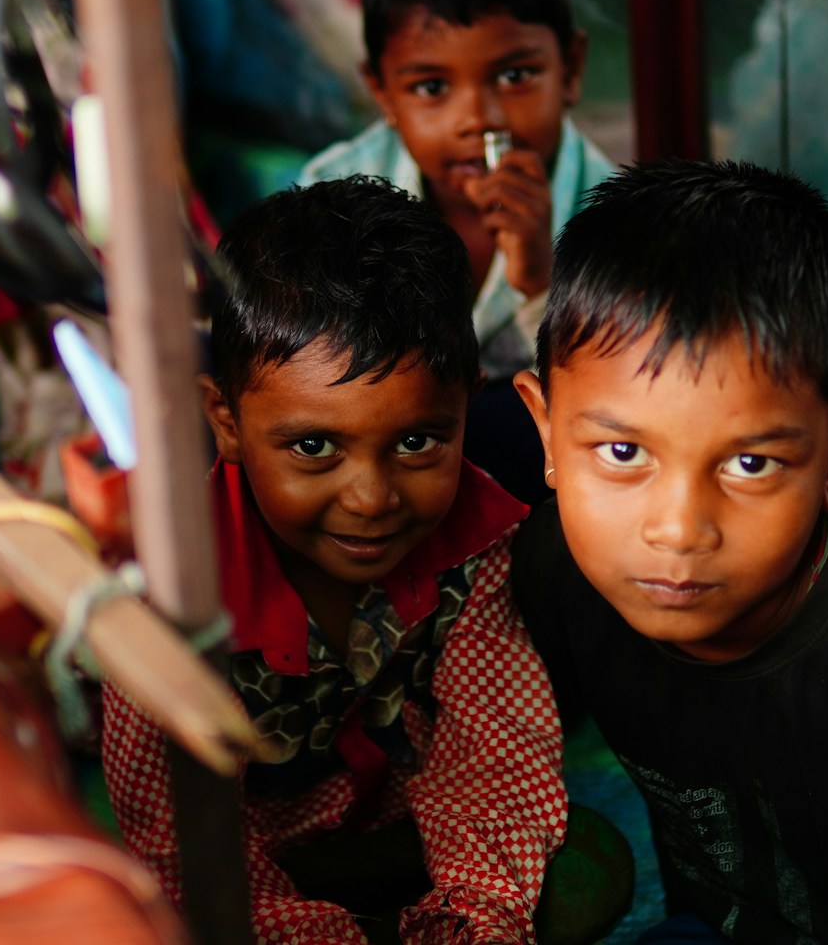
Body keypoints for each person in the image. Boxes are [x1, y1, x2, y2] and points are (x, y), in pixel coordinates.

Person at [508, 161, 828, 944]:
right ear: (547, 434)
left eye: (750, 464)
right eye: (622, 452)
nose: (678, 529)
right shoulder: (553, 571)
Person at [101, 177, 568, 945]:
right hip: (257, 848)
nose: (371, 499)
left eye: (417, 441)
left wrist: (473, 923)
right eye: (314, 446)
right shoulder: (173, 596)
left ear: (465, 403)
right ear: (226, 422)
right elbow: (180, 844)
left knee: (577, 872)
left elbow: (496, 760)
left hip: (401, 818)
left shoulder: (481, 542)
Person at [297, 0, 616, 384]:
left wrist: (540, 284)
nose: (477, 119)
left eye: (514, 76)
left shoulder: (614, 223)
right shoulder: (332, 199)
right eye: (432, 87)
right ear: (383, 93)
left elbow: (616, 392)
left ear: (570, 70)